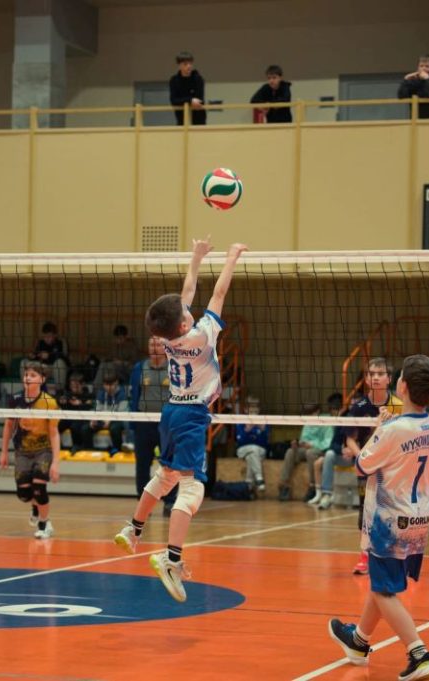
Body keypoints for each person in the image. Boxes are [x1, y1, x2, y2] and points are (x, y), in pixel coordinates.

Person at [113, 236, 248, 602]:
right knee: (192, 488)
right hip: (191, 416)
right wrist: (232, 257)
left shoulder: (168, 339)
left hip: (171, 410)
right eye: (186, 313)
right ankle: (171, 559)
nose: (190, 310)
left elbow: (186, 295)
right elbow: (218, 294)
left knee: (166, 476)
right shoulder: (203, 335)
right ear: (185, 323)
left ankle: (133, 528)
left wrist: (196, 257)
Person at [327, 354, 429, 679]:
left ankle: (419, 654)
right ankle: (358, 641)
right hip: (418, 520)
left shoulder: (392, 429)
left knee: (383, 590)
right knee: (381, 584)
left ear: (402, 386)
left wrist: (378, 429)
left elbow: (361, 466)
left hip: (389, 522)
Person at [314, 358, 405, 576]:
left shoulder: (398, 406)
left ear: (389, 379)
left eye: (380, 374)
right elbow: (350, 440)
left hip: (392, 468)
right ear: (366, 379)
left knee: (393, 512)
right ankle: (364, 556)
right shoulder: (359, 407)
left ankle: (395, 556)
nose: (376, 377)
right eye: (371, 374)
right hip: (367, 468)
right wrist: (363, 459)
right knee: (366, 512)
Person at [0, 360, 61, 540]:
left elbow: (54, 433)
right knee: (24, 494)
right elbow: (8, 426)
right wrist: (4, 452)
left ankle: (44, 524)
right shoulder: (16, 400)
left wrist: (56, 462)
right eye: (26, 375)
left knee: (39, 488)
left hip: (43, 450)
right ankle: (35, 506)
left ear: (42, 379)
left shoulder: (49, 402)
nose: (27, 378)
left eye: (33, 375)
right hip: (22, 451)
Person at [128, 336, 176, 513]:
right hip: (144, 422)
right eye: (151, 344)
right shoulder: (139, 368)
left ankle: (170, 501)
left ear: (165, 347)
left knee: (169, 465)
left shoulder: (174, 367)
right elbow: (134, 395)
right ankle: (142, 503)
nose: (154, 347)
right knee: (142, 464)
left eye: (158, 344)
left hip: (167, 424)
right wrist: (133, 421)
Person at [279, 402, 333, 502]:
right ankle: (284, 484)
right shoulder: (308, 421)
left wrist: (312, 445)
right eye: (306, 414)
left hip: (321, 450)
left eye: (310, 414)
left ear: (317, 411)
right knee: (290, 452)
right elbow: (303, 439)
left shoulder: (326, 421)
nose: (308, 417)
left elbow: (327, 442)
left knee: (310, 453)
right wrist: (298, 444)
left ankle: (313, 486)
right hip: (306, 449)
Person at [235, 395, 270, 491]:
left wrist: (262, 430)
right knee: (253, 450)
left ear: (258, 410)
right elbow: (240, 441)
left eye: (255, 408)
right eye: (251, 408)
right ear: (246, 409)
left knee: (251, 455)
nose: (254, 410)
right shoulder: (241, 421)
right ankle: (259, 478)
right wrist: (247, 429)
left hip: (260, 451)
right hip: (242, 450)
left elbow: (266, 443)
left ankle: (248, 483)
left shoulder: (264, 422)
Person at [88, 369, 129, 452]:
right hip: (103, 419)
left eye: (111, 384)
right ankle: (88, 450)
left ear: (116, 383)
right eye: (106, 384)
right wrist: (93, 419)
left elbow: (121, 413)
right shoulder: (101, 393)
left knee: (115, 429)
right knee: (86, 428)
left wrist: (109, 421)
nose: (109, 387)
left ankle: (117, 450)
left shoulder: (122, 394)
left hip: (117, 419)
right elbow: (97, 409)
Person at [94, 324, 139, 390]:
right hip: (116, 370)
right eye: (116, 338)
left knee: (110, 366)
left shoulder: (132, 346)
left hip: (128, 372)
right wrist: (107, 359)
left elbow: (135, 364)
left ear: (126, 336)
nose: (118, 340)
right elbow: (108, 357)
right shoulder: (114, 346)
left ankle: (103, 388)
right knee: (103, 365)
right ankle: (97, 388)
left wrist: (121, 362)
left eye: (120, 338)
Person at [397, 55, 429, 119]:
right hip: (415, 118)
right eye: (421, 66)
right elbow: (401, 96)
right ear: (418, 68)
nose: (424, 68)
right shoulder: (413, 81)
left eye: (427, 66)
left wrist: (427, 79)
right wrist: (405, 80)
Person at [58, 371, 93, 449]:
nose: (73, 388)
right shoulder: (68, 394)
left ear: (82, 384)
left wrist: (79, 404)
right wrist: (61, 402)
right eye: (72, 386)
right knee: (56, 425)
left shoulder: (88, 395)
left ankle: (77, 446)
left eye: (76, 386)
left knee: (74, 427)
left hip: (82, 418)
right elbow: (61, 403)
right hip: (69, 418)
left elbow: (89, 408)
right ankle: (58, 446)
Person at [169, 51, 206, 126]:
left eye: (190, 63)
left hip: (198, 119)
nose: (189, 66)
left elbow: (200, 100)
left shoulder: (198, 79)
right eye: (185, 64)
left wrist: (184, 100)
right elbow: (174, 101)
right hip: (182, 119)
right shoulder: (174, 80)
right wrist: (190, 100)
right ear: (179, 65)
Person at [31, 321, 69, 391]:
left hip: (54, 369)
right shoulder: (40, 343)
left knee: (59, 363)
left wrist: (49, 356)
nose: (47, 338)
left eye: (49, 336)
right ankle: (28, 390)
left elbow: (64, 358)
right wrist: (34, 356)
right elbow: (34, 356)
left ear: (55, 335)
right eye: (45, 336)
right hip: (42, 368)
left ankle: (60, 391)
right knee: (24, 363)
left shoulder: (60, 343)